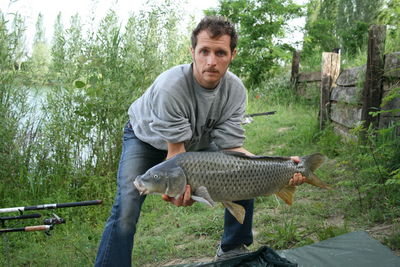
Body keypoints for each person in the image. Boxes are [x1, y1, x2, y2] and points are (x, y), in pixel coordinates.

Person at [94, 16, 306, 267]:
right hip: (147, 139)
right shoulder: (170, 86)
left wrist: (282, 166)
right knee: (127, 205)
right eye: (204, 51)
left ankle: (232, 248)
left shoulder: (235, 90)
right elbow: (176, 155)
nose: (211, 61)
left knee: (243, 170)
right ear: (192, 51)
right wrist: (177, 190)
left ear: (232, 54)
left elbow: (232, 149)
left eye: (220, 53)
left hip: (195, 141)